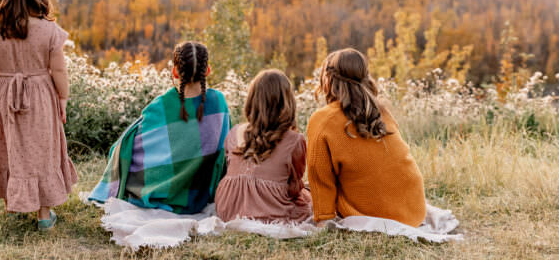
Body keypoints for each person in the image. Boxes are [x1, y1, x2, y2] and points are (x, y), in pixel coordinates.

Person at [0, 0, 77, 231]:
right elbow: (59, 70)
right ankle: (44, 214)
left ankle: (13, 205)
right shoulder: (49, 31)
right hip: (41, 95)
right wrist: (62, 99)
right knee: (41, 150)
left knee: (8, 147)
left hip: (4, 95)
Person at [89, 41, 231, 214]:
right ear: (207, 71)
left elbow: (127, 145)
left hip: (160, 191)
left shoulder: (160, 106)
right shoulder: (219, 102)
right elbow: (223, 152)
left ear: (175, 71)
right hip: (199, 195)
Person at [307, 48, 426, 227]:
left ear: (328, 79)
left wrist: (323, 218)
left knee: (306, 190)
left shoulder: (323, 119)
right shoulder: (380, 110)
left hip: (376, 214)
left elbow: (320, 176)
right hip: (414, 209)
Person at [215, 69, 312, 222]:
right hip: (270, 212)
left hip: (228, 208)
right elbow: (293, 188)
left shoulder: (234, 133)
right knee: (308, 196)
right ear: (287, 101)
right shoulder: (294, 140)